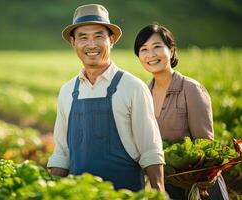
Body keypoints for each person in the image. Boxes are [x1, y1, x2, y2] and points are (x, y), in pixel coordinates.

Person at [46, 4, 165, 192]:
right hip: (79, 195)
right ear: (73, 42)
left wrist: (159, 192)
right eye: (83, 37)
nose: (91, 45)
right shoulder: (67, 91)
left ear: (111, 40)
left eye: (99, 36)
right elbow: (62, 152)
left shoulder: (133, 87)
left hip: (125, 194)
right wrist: (51, 191)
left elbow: (150, 149)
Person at [134, 24, 229, 199]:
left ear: (171, 50)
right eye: (143, 49)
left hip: (201, 185)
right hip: (167, 186)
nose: (150, 54)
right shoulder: (143, 95)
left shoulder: (191, 89)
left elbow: (205, 145)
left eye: (157, 47)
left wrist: (191, 176)